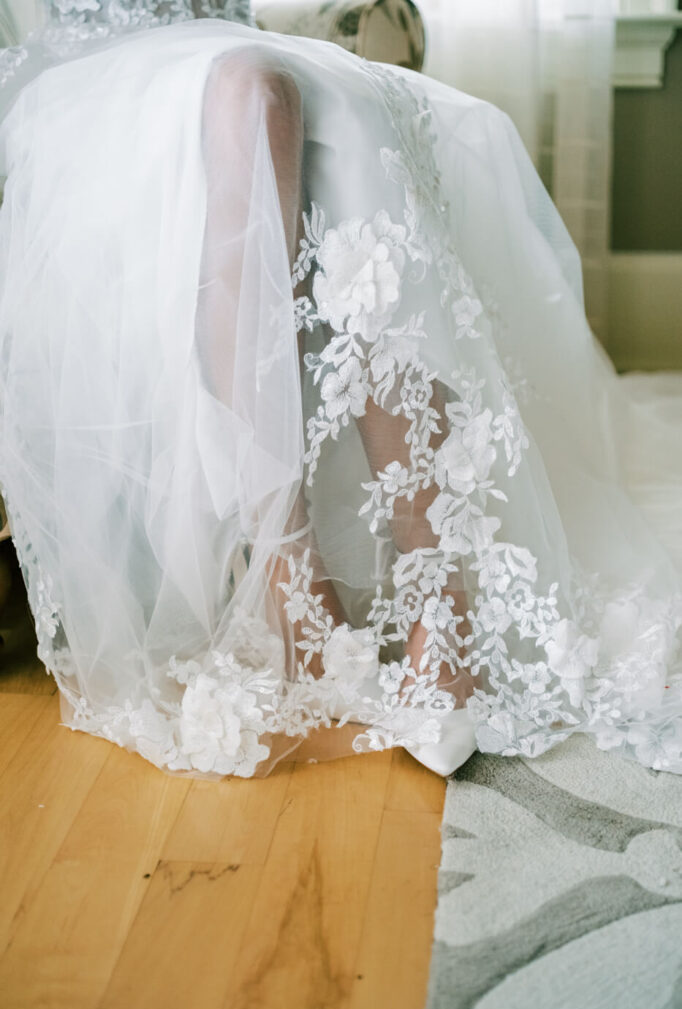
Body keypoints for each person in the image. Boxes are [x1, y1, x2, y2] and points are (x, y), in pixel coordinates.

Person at [0, 0, 680, 781]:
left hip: (216, 34)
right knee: (253, 94)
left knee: (347, 110)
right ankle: (291, 582)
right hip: (86, 71)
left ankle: (440, 596)